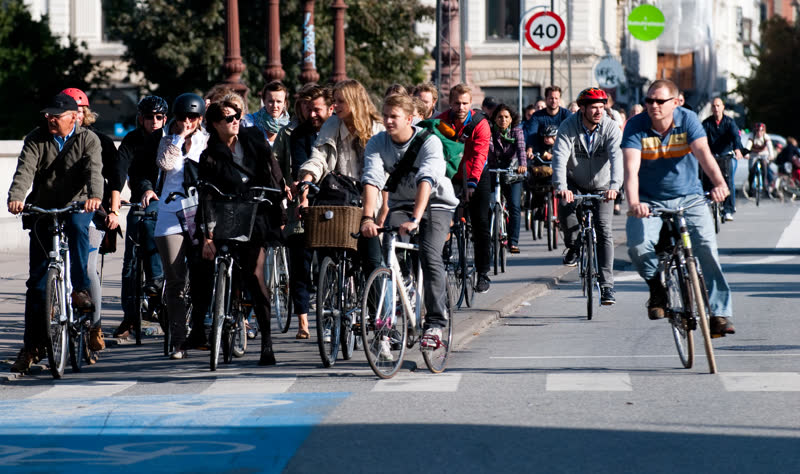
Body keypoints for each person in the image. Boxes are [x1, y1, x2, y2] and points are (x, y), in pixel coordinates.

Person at [622, 79, 735, 337]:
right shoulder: (636, 126)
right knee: (638, 247)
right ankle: (656, 288)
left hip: (689, 197)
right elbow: (631, 171)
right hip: (648, 201)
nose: (653, 106)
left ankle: (719, 313)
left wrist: (720, 185)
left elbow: (704, 155)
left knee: (705, 247)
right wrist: (634, 204)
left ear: (676, 102)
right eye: (649, 100)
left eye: (660, 101)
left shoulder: (688, 120)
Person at [7, 92, 103, 372]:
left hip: (77, 205)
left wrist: (95, 196)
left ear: (74, 117)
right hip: (44, 208)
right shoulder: (36, 138)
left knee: (76, 226)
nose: (49, 119)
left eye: (56, 115)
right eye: (47, 114)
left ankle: (79, 289)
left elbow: (94, 172)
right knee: (36, 284)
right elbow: (24, 170)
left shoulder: (88, 139)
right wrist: (16, 197)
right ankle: (31, 346)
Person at [360, 93, 459, 350]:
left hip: (436, 204)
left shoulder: (430, 142)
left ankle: (436, 322)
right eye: (385, 116)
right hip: (402, 204)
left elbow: (427, 179)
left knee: (429, 253)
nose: (388, 121)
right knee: (387, 251)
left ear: (410, 118)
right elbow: (372, 179)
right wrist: (368, 217)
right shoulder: (377, 142)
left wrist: (416, 218)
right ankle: (396, 306)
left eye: (394, 117)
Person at [198, 97, 286, 366]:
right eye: (228, 118)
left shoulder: (253, 139)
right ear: (215, 124)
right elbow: (205, 196)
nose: (235, 120)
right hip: (226, 214)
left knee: (254, 274)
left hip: (255, 213)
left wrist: (280, 206)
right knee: (211, 265)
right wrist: (206, 236)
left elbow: (272, 173)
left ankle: (267, 344)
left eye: (236, 115)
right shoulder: (209, 154)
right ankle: (212, 322)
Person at [297, 79, 385, 291]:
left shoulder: (377, 130)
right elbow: (319, 156)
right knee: (327, 248)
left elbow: (378, 172)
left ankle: (380, 318)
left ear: (354, 102)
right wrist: (306, 180)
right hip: (337, 197)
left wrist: (373, 210)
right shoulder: (332, 124)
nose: (334, 106)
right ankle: (330, 304)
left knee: (371, 259)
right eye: (334, 101)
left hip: (367, 198)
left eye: (340, 101)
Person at [60, 87, 121, 355]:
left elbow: (112, 178)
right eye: (72, 111)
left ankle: (95, 325)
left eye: (81, 111)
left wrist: (112, 210)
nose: (77, 116)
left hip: (93, 211)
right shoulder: (55, 138)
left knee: (88, 266)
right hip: (61, 208)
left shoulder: (100, 141)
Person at [152, 93, 210, 359]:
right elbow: (165, 164)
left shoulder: (207, 142)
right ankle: (178, 340)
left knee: (200, 276)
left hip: (198, 213)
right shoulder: (166, 140)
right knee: (175, 280)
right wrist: (178, 138)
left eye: (194, 117)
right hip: (170, 212)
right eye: (183, 117)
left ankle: (202, 327)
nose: (188, 122)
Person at [552, 87, 623, 305]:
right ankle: (573, 245)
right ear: (582, 108)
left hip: (603, 186)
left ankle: (607, 286)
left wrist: (615, 185)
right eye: (593, 107)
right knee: (565, 210)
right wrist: (561, 186)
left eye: (602, 107)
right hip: (574, 182)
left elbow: (616, 157)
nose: (598, 111)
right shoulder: (568, 126)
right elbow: (559, 156)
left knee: (604, 229)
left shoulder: (611, 127)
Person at [114, 96, 168, 338]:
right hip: (140, 198)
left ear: (165, 118)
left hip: (166, 201)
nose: (154, 122)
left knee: (150, 227)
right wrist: (114, 195)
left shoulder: (169, 139)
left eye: (159, 117)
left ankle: (158, 286)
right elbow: (123, 168)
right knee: (130, 259)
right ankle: (130, 316)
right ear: (141, 118)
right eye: (149, 117)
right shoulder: (133, 139)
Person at [284, 84, 334, 339]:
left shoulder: (336, 130)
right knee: (300, 260)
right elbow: (302, 165)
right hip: (304, 200)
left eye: (317, 109)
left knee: (330, 260)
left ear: (330, 108)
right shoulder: (299, 134)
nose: (312, 114)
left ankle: (330, 314)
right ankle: (303, 319)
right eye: (308, 108)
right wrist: (302, 189)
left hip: (333, 202)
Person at [435, 83, 492, 293]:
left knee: (480, 222)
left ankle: (483, 272)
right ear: (450, 103)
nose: (460, 107)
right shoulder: (440, 121)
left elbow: (479, 155)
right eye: (457, 103)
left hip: (476, 174)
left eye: (465, 103)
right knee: (441, 217)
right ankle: (444, 254)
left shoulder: (480, 123)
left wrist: (472, 183)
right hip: (450, 174)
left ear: (471, 104)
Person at [487, 103, 527, 254]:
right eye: (500, 117)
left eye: (506, 117)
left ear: (511, 119)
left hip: (513, 172)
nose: (503, 120)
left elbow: (521, 149)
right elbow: (488, 149)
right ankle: (490, 236)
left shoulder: (517, 131)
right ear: (495, 119)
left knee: (515, 206)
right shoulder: (490, 132)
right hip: (494, 169)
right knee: (488, 204)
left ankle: (513, 241)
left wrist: (523, 165)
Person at [702, 97, 744, 221]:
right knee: (706, 179)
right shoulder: (707, 123)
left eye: (718, 105)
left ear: (723, 107)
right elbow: (701, 138)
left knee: (728, 181)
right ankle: (706, 204)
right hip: (711, 156)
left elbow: (736, 136)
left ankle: (728, 210)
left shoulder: (729, 122)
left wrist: (737, 149)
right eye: (714, 106)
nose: (716, 108)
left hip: (725, 155)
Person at [524, 86, 571, 157]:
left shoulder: (567, 114)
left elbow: (572, 133)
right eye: (551, 98)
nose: (554, 101)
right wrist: (530, 149)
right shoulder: (537, 116)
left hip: (562, 152)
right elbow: (532, 134)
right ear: (546, 99)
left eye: (556, 98)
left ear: (559, 99)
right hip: (541, 153)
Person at [242, 80, 289, 147]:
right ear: (264, 101)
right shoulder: (249, 122)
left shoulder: (290, 129)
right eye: (271, 101)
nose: (275, 105)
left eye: (279, 101)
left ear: (284, 103)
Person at [744, 122, 775, 194]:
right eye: (757, 131)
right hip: (753, 154)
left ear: (764, 131)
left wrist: (771, 155)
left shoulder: (766, 137)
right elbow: (748, 145)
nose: (759, 133)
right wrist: (746, 154)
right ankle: (750, 187)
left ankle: (764, 185)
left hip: (763, 154)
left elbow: (770, 146)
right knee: (751, 170)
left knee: (764, 167)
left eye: (761, 131)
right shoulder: (752, 136)